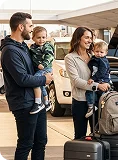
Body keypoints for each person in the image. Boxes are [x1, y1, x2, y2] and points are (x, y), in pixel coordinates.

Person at [0, 12, 53, 160]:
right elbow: (22, 79)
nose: (32, 29)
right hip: (24, 104)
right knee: (26, 143)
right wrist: (44, 80)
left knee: (40, 142)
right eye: (30, 26)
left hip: (37, 102)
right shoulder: (10, 51)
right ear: (21, 27)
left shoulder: (23, 47)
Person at [64, 27, 110, 139]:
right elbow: (76, 81)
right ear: (78, 39)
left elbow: (104, 71)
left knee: (98, 134)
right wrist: (98, 86)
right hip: (80, 101)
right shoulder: (70, 58)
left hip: (97, 100)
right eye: (87, 37)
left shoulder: (94, 56)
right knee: (80, 136)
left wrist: (107, 82)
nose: (90, 40)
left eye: (91, 38)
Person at [29, 26, 54, 114]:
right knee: (41, 86)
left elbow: (50, 56)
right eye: (38, 37)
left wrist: (43, 64)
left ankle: (38, 102)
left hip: (46, 68)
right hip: (38, 69)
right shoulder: (32, 47)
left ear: (46, 38)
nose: (41, 40)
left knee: (36, 80)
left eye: (43, 37)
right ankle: (46, 103)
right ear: (33, 38)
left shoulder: (46, 46)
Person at [85, 41, 111, 118]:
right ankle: (98, 107)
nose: (99, 54)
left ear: (106, 53)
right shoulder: (94, 58)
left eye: (101, 52)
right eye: (97, 51)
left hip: (102, 80)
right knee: (99, 95)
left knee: (90, 91)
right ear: (93, 51)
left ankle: (91, 106)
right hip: (99, 80)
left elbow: (101, 72)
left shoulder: (103, 61)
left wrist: (93, 78)